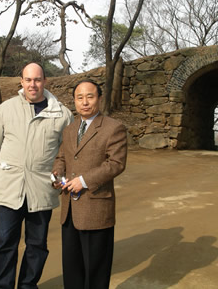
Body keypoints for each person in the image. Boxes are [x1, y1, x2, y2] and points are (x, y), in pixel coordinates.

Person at [0, 62, 73, 289]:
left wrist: (58, 179)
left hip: (42, 191)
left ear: (45, 81)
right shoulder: (7, 109)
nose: (32, 84)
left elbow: (67, 154)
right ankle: (1, 286)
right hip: (9, 190)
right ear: (21, 81)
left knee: (37, 244)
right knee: (5, 241)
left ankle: (28, 285)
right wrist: (9, 170)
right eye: (28, 80)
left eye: (37, 80)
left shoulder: (62, 114)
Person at [52, 79, 128, 289]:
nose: (84, 102)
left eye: (90, 96)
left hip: (96, 209)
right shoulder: (70, 129)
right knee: (72, 268)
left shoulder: (114, 128)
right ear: (74, 101)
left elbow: (116, 163)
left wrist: (84, 181)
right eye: (79, 97)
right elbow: (61, 158)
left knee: (96, 270)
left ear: (100, 99)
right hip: (69, 210)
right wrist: (57, 175)